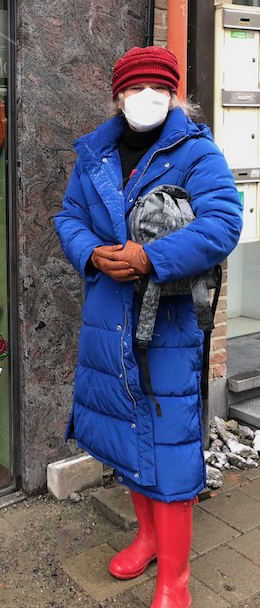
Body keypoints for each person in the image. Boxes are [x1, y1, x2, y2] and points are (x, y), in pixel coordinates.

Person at [54, 46, 243, 608]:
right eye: (136, 89)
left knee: (170, 445)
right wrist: (92, 253)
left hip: (169, 325)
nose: (147, 98)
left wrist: (150, 258)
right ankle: (149, 539)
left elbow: (223, 222)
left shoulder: (196, 151)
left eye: (159, 88)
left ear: (174, 94)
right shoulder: (96, 153)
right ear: (119, 96)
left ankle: (175, 580)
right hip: (109, 319)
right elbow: (69, 216)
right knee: (125, 435)